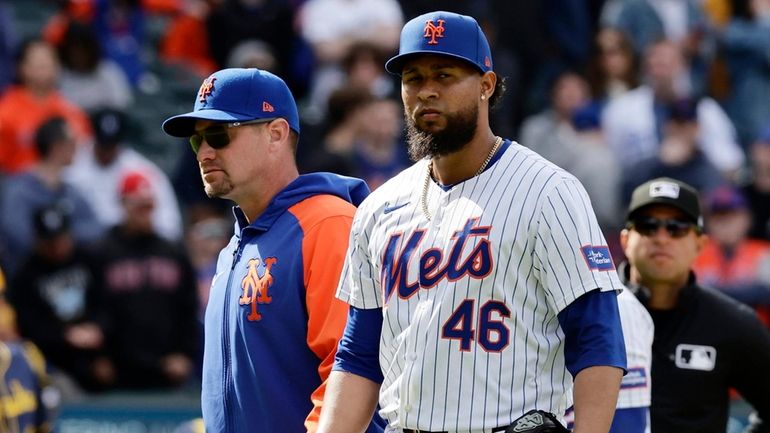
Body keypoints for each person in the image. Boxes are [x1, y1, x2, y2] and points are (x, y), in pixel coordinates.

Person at [317, 11, 627, 433]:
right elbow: (357, 355)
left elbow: (598, 337)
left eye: (444, 76)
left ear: (487, 85)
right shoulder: (379, 207)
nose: (426, 91)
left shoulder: (549, 191)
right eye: (413, 78)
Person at [161, 68, 382, 433]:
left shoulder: (327, 224)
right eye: (196, 141)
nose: (205, 152)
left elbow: (351, 372)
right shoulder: (235, 245)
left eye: (219, 135)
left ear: (276, 134)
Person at [619, 177, 770, 432]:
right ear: (625, 240)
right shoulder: (594, 314)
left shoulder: (730, 322)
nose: (662, 238)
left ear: (700, 244)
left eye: (676, 227)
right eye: (648, 226)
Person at [87, 170, 197, 390]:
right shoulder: (101, 253)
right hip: (115, 371)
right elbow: (90, 308)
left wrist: (184, 354)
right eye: (139, 207)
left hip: (166, 368)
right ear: (124, 205)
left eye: (149, 207)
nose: (145, 214)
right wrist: (95, 358)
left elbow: (188, 307)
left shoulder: (173, 252)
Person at [8, 204, 113, 392]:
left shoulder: (89, 260)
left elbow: (108, 303)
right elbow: (28, 325)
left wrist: (98, 329)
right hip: (53, 362)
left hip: (98, 354)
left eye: (60, 239)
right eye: (49, 242)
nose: (56, 247)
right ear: (37, 240)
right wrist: (66, 335)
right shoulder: (25, 275)